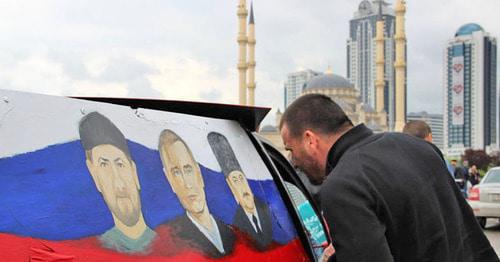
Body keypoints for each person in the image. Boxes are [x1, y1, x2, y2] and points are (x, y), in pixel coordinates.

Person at [279, 94, 497, 261]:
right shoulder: (418, 147)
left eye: (291, 149)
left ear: (310, 139)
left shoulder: (343, 186)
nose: (294, 161)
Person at [79, 112, 156, 254]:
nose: (119, 183)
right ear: (95, 178)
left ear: (134, 172)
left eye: (120, 164)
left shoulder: (170, 243)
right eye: (104, 165)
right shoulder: (95, 251)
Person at [158, 129, 235, 258]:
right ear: (170, 181)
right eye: (176, 173)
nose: (187, 184)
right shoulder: (169, 242)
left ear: (199, 174)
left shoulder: (234, 234)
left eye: (188, 170)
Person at [207, 132, 273, 251]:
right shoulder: (234, 222)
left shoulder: (268, 208)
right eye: (235, 181)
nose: (242, 186)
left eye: (242, 178)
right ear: (230, 187)